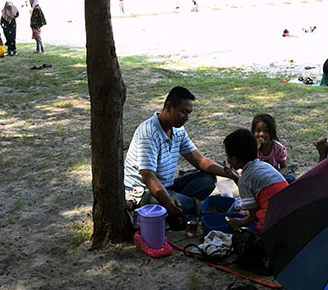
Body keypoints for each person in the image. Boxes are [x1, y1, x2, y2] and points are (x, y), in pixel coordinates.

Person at [124, 86, 235, 217]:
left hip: (167, 185)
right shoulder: (149, 133)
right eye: (184, 112)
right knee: (186, 204)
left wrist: (230, 174)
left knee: (208, 179)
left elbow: (199, 160)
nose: (187, 117)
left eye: (189, 113)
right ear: (169, 107)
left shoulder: (178, 130)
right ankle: (183, 207)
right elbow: (148, 176)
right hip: (144, 191)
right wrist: (168, 201)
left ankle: (181, 206)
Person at [224, 129, 288, 232]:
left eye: (227, 155)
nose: (227, 159)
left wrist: (239, 222)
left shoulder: (245, 178)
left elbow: (253, 216)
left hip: (273, 223)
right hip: (290, 211)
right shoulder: (264, 165)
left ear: (235, 159)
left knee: (257, 231)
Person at [252, 114, 295, 183]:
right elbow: (247, 164)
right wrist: (255, 147)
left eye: (266, 131)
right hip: (258, 178)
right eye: (258, 131)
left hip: (274, 177)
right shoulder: (252, 148)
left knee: (291, 178)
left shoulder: (278, 148)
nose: (261, 134)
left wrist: (276, 176)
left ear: (271, 132)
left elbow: (284, 167)